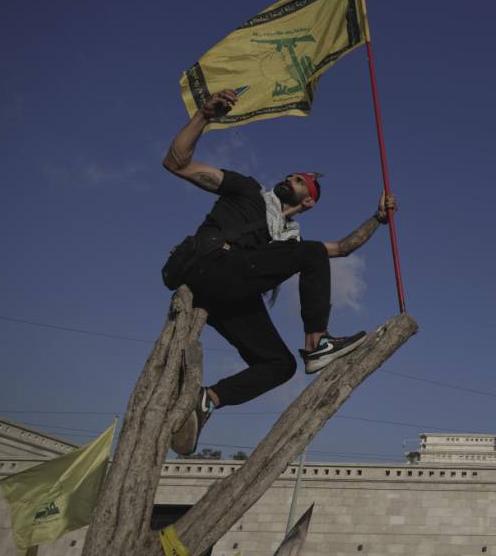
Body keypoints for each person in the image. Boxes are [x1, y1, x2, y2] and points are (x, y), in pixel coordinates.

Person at [161, 88, 397, 455]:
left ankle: (207, 400)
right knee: (313, 253)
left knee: (280, 364)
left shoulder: (291, 240)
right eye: (292, 174)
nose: (291, 177)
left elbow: (343, 248)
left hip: (231, 294)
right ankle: (317, 344)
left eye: (300, 180)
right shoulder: (248, 191)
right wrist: (204, 116)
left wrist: (378, 219)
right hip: (212, 266)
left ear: (308, 202)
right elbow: (177, 162)